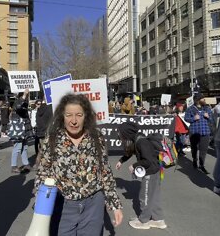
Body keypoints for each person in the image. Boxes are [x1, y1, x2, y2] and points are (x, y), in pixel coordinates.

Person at [35, 94, 123, 235]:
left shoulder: (96, 137)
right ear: (62, 116)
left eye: (79, 115)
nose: (74, 121)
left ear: (86, 116)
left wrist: (115, 205)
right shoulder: (52, 138)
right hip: (62, 206)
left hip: (93, 206)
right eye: (69, 115)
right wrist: (40, 209)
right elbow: (42, 172)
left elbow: (105, 171)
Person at [116, 122, 167, 230]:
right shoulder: (137, 139)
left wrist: (134, 165)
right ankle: (158, 220)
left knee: (145, 197)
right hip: (155, 171)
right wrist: (121, 161)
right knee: (154, 197)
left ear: (126, 133)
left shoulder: (141, 142)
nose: (120, 136)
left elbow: (147, 161)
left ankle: (144, 221)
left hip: (151, 172)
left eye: (120, 133)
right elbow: (130, 152)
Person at [185, 93, 213, 174]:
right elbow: (186, 118)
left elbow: (212, 120)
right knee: (194, 148)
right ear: (197, 100)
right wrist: (194, 118)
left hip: (205, 132)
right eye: (202, 99)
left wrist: (208, 117)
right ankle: (194, 159)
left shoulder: (207, 108)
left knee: (203, 150)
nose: (204, 100)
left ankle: (202, 165)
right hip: (194, 132)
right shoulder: (190, 109)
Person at [10, 89, 33, 173]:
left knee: (24, 147)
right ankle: (14, 166)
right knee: (17, 147)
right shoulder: (17, 102)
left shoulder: (25, 103)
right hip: (19, 128)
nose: (27, 96)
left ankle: (26, 164)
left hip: (24, 128)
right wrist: (24, 94)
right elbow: (18, 107)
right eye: (27, 95)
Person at [33, 100, 53, 169]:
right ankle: (47, 164)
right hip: (48, 132)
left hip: (41, 132)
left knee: (42, 150)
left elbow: (38, 122)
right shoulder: (49, 108)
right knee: (49, 149)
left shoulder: (38, 111)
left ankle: (37, 164)